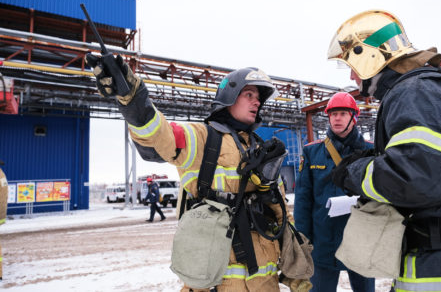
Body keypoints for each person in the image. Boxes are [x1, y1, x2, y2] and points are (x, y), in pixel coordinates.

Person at [84, 52, 307, 291]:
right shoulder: (203, 138)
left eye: (259, 98)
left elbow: (280, 212)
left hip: (265, 283)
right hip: (215, 282)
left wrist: (297, 268)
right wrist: (134, 100)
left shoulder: (261, 149)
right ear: (229, 96)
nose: (256, 102)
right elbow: (162, 137)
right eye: (249, 95)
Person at [327, 10, 441, 291]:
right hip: (439, 258)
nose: (351, 74)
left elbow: (418, 180)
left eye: (351, 63)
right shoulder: (424, 90)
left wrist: (353, 172)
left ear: (369, 55)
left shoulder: (419, 91)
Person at [294, 92, 375, 292]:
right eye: (333, 114)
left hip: (360, 240)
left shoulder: (371, 151)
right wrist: (303, 240)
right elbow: (303, 200)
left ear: (353, 118)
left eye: (342, 114)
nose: (337, 118)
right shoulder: (312, 152)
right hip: (323, 242)